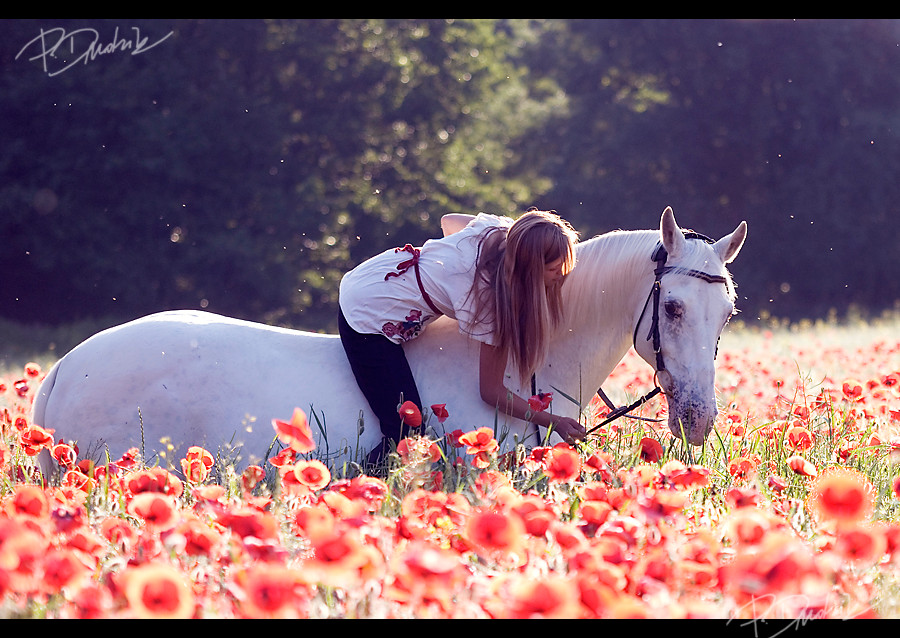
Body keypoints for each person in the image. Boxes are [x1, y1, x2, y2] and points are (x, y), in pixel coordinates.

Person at [337, 209, 586, 469]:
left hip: (380, 270)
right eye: (555, 269)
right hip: (368, 311)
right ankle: (356, 486)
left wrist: (448, 272)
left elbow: (448, 221)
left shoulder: (499, 232)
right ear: (529, 270)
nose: (562, 275)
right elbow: (491, 391)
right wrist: (553, 421)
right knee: (405, 432)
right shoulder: (490, 303)